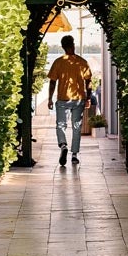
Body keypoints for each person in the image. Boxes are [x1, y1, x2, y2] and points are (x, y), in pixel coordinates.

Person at [47, 35, 92, 166]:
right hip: (78, 99)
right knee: (76, 127)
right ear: (73, 45)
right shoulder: (82, 62)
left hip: (62, 99)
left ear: (62, 47)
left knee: (61, 125)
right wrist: (88, 97)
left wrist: (50, 98)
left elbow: (52, 82)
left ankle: (63, 145)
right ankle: (74, 155)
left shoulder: (58, 62)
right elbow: (88, 82)